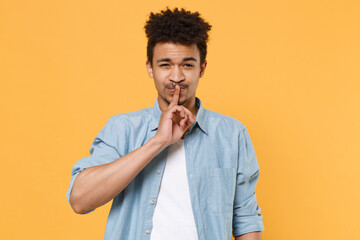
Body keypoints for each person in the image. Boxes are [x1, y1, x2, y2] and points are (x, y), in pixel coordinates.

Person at [66, 8, 264, 240]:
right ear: (150, 67)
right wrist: (158, 142)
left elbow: (246, 219)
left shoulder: (232, 134)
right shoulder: (123, 129)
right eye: (165, 65)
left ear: (202, 68)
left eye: (188, 65)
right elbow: (79, 200)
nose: (176, 76)